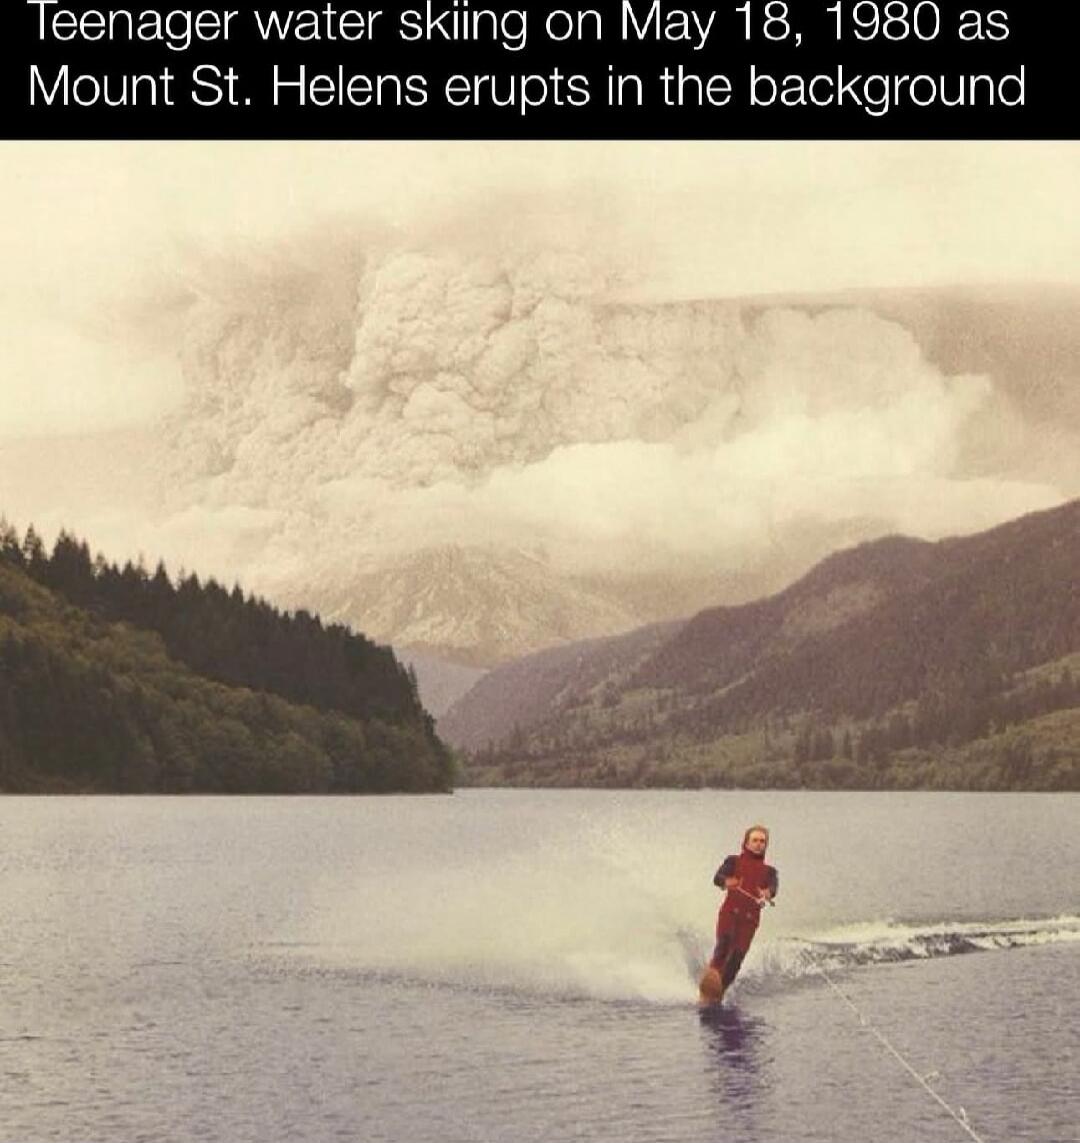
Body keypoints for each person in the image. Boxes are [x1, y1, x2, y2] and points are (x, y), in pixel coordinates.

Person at [700, 824, 778, 1003]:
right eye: (755, 840)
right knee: (724, 944)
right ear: (746, 843)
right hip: (730, 913)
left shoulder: (770, 872)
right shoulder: (733, 861)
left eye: (762, 841)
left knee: (736, 959)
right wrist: (727, 881)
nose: (759, 844)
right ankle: (709, 983)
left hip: (750, 920)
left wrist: (767, 893)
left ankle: (719, 993)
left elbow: (773, 888)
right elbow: (717, 878)